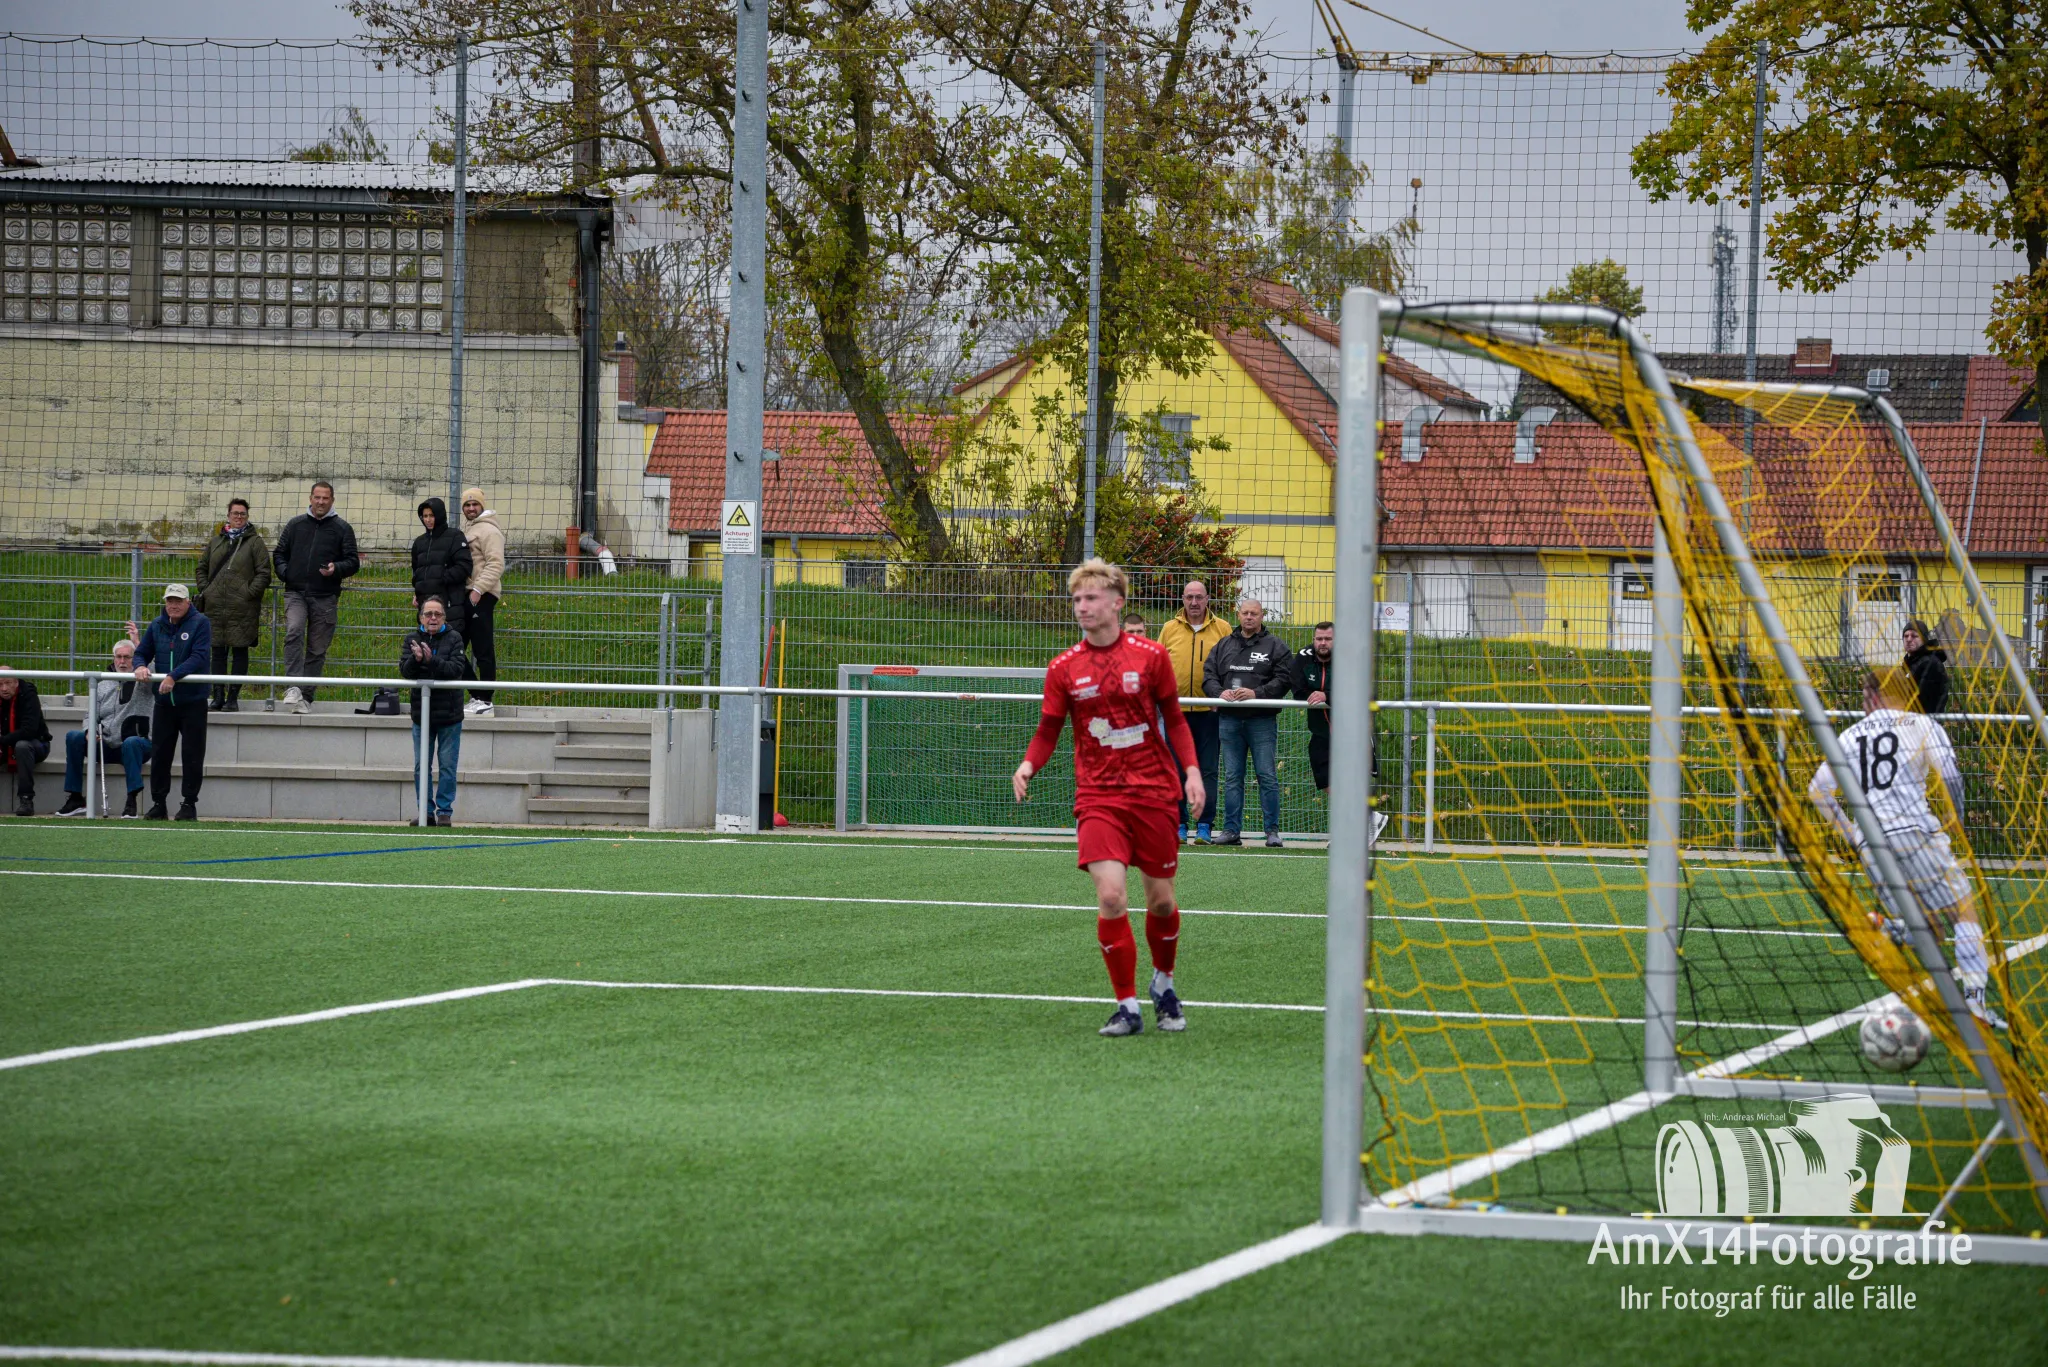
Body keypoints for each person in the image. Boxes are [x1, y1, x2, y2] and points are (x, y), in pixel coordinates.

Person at [1013, 559, 1205, 1037]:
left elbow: (1175, 720)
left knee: (1162, 902)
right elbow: (1048, 729)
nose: (1082, 606)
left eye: (1092, 597)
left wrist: (1192, 772)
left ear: (1117, 602)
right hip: (1098, 796)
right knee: (1112, 896)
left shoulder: (1151, 656)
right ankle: (1127, 1006)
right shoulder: (1063, 667)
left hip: (1154, 791)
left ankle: (1163, 983)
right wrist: (1028, 764)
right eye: (1077, 599)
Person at [1808, 668, 2000, 1027]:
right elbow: (1952, 779)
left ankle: (1886, 929)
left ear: (1875, 696)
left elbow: (1817, 790)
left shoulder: (1848, 737)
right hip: (1915, 833)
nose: (1862, 703)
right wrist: (1955, 821)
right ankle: (1975, 1002)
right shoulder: (1921, 725)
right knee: (1964, 914)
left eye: (1864, 696)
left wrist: (1851, 836)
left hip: (1872, 845)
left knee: (1930, 930)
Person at [1202, 596, 1292, 847]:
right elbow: (1208, 675)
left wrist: (1257, 693)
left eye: (1254, 613)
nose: (1249, 617)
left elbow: (1285, 678)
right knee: (1232, 777)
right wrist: (1219, 693)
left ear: (1262, 616)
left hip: (1261, 721)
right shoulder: (1223, 645)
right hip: (1229, 721)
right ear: (1238, 615)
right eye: (1245, 613)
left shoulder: (1275, 646)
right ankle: (1231, 831)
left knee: (1267, 776)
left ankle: (1272, 832)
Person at [1290, 621, 1389, 845]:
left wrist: (1327, 696)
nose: (1323, 643)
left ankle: (1352, 832)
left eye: (1328, 639)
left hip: (1351, 731)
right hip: (1321, 731)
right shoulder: (1304, 657)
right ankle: (1367, 817)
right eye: (1319, 639)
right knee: (1325, 780)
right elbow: (1297, 689)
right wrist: (1315, 694)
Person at [272, 479, 359, 714]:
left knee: (317, 649)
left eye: (325, 498)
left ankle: (306, 697)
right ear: (310, 498)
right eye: (317, 497)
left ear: (332, 500)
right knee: (294, 631)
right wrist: (286, 573)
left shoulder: (342, 528)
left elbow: (353, 561)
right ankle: (292, 687)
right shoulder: (295, 525)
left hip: (325, 596)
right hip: (296, 593)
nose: (320, 502)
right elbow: (279, 554)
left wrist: (336, 569)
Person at [131, 583, 213, 821]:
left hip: (193, 701)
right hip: (164, 703)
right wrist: (140, 666)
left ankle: (189, 804)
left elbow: (199, 656)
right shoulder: (157, 625)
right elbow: (141, 652)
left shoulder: (200, 623)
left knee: (192, 754)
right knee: (160, 754)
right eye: (170, 601)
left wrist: (173, 676)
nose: (173, 605)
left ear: (188, 602)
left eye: (178, 601)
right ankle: (159, 803)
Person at [1157, 579, 1230, 843]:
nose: (1195, 602)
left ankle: (1204, 825)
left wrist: (1221, 695)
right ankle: (1179, 824)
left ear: (1208, 599)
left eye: (1199, 597)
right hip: (1176, 713)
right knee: (1176, 769)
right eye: (1190, 597)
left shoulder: (1222, 628)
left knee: (1208, 770)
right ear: (1183, 599)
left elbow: (1230, 666)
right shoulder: (1169, 628)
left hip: (1210, 712)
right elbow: (1158, 665)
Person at [56, 638, 155, 818]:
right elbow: (90, 716)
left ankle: (131, 800)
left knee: (131, 743)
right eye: (119, 657)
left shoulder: (144, 680)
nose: (122, 661)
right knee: (74, 737)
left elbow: (154, 671)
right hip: (107, 744)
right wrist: (90, 731)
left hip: (137, 746)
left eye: (127, 657)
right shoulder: (102, 684)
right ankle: (75, 798)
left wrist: (141, 648)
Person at [194, 496, 271, 712]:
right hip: (215, 606)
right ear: (228, 515)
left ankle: (233, 698)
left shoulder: (255, 543)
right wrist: (206, 590)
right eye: (235, 513)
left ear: (247, 516)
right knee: (217, 651)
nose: (239, 517)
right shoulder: (216, 542)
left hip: (243, 608)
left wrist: (248, 593)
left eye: (242, 514)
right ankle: (217, 696)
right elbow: (201, 568)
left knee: (239, 651)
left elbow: (264, 573)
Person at [400, 596, 469, 827]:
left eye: (437, 614)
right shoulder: (411, 639)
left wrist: (431, 660)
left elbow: (456, 669)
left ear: (444, 618)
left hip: (450, 715)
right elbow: (405, 671)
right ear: (421, 617)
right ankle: (426, 812)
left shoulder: (455, 638)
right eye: (428, 614)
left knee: (447, 766)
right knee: (421, 766)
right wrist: (417, 659)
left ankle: (444, 812)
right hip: (422, 715)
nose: (432, 618)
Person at [460, 487, 504, 717]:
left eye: (475, 504)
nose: (471, 508)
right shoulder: (469, 528)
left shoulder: (489, 530)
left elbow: (496, 564)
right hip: (466, 595)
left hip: (481, 595)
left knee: (483, 649)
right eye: (467, 505)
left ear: (482, 505)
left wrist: (478, 590)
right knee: (453, 647)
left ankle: (485, 700)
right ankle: (477, 695)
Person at [409, 497, 474, 638]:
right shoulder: (419, 543)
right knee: (428, 648)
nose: (428, 520)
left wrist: (440, 578)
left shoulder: (455, 536)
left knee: (450, 648)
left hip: (449, 606)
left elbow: (464, 566)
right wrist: (418, 591)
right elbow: (416, 571)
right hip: (425, 608)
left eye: (431, 515)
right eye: (425, 516)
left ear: (439, 515)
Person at [0, 666, 52, 817]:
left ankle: (26, 799)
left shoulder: (28, 695)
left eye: (8, 683)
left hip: (36, 744)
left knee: (22, 746)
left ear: (16, 682)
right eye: (0, 684)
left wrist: (2, 741)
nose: (4, 688)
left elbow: (29, 730)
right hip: (5, 743)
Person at [1902, 619, 1949, 716]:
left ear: (1924, 639)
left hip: (1923, 721)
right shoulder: (1910, 662)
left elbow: (1924, 701)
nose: (1909, 639)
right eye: (1906, 636)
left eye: (1914, 636)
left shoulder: (1929, 663)